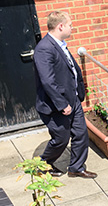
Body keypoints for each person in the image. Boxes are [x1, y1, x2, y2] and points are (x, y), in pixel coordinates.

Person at [33, 11, 96, 179]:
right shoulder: (44, 49)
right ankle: (43, 164)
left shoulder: (61, 44)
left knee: (81, 134)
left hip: (73, 99)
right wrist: (62, 104)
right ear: (60, 26)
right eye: (70, 25)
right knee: (61, 139)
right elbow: (48, 81)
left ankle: (76, 167)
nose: (72, 28)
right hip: (56, 105)